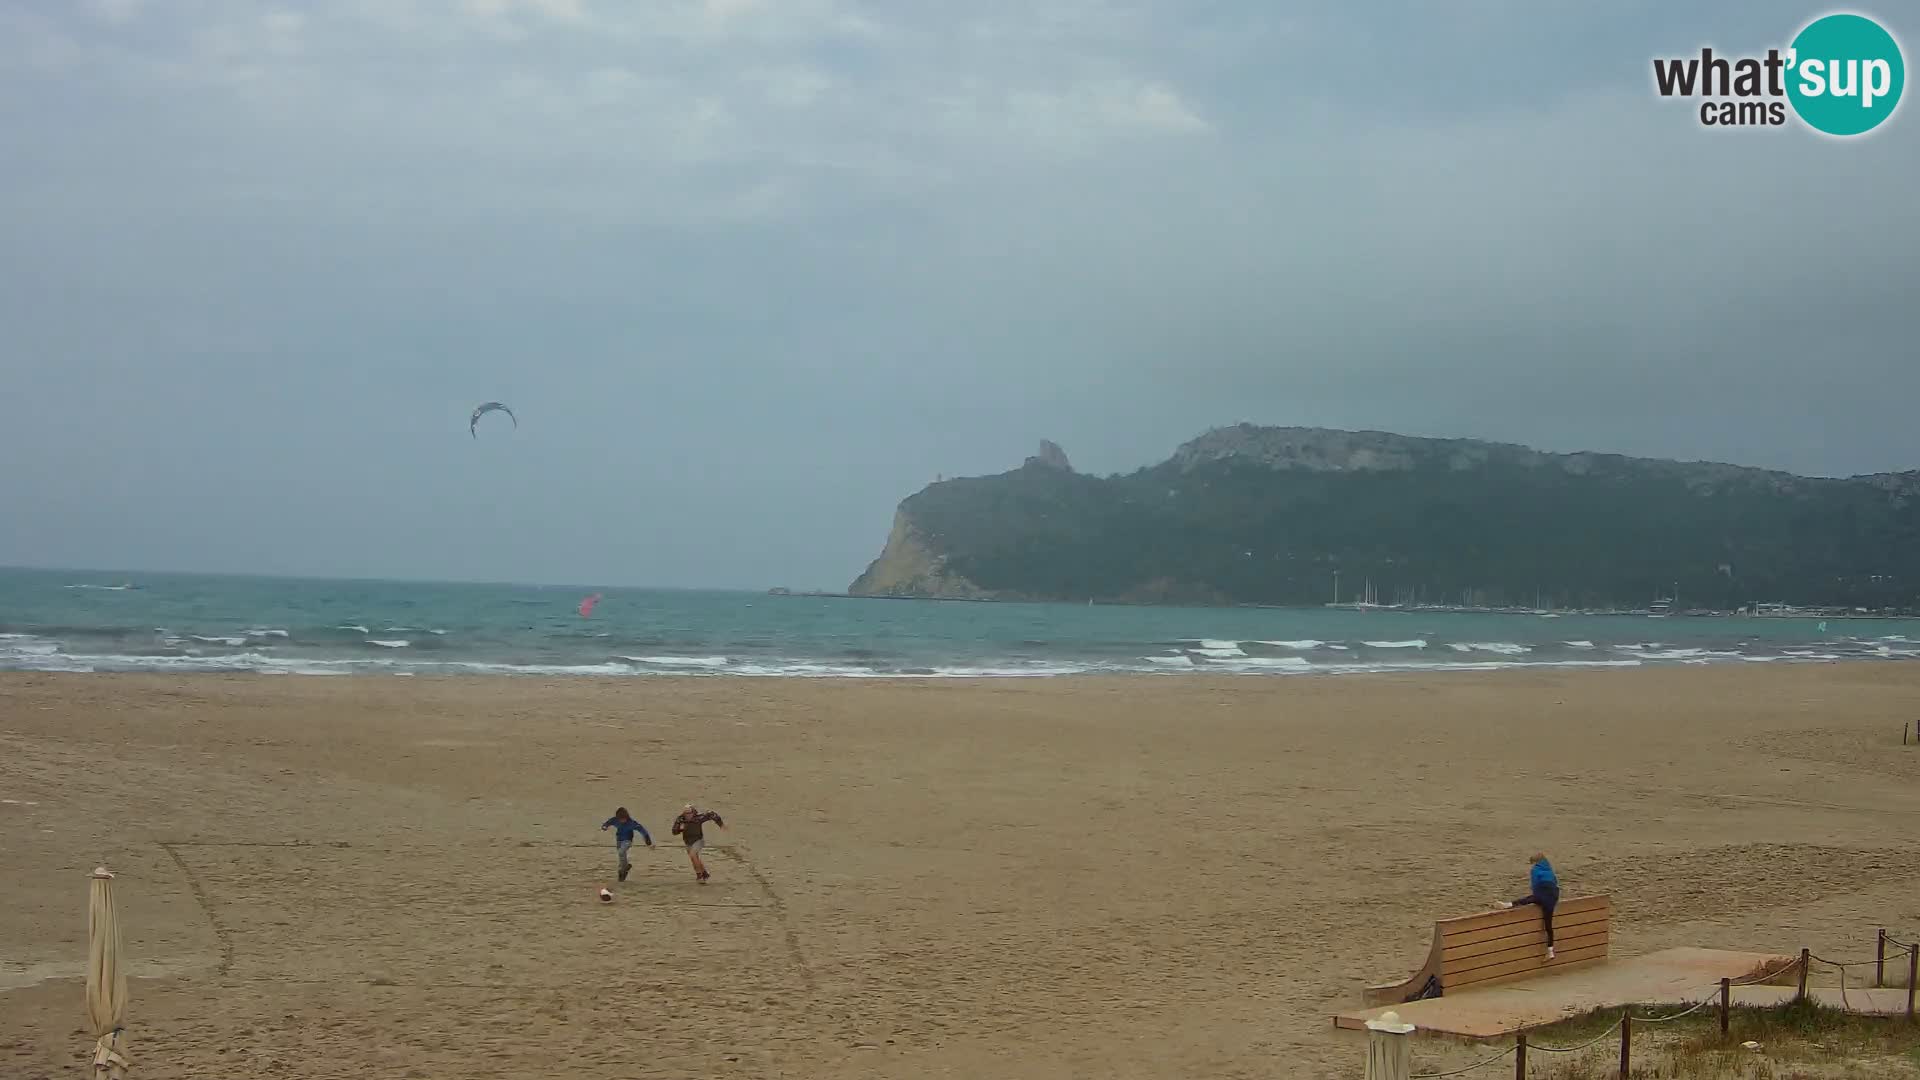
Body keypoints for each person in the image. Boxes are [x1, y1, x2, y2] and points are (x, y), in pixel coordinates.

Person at [1493, 852, 1560, 959]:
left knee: (1528, 899)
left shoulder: (1535, 870)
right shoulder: (1549, 869)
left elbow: (1535, 885)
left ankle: (1508, 905)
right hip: (1553, 897)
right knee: (1548, 925)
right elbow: (1555, 883)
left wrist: (1537, 896)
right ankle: (1550, 951)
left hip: (1544, 893)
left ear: (1535, 862)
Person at [671, 803, 725, 884]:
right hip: (688, 841)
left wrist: (721, 824)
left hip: (698, 840)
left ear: (693, 812)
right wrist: (680, 829)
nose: (688, 815)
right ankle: (704, 873)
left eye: (689, 813)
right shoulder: (680, 819)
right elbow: (674, 831)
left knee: (693, 855)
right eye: (686, 813)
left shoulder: (698, 818)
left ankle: (700, 875)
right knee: (694, 859)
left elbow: (712, 814)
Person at [601, 807, 652, 882]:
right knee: (621, 857)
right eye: (620, 819)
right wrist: (604, 826)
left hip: (627, 841)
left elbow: (642, 830)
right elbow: (608, 822)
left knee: (621, 852)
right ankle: (623, 872)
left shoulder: (631, 823)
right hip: (619, 840)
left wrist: (648, 841)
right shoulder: (615, 820)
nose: (622, 821)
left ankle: (623, 869)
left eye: (623, 819)